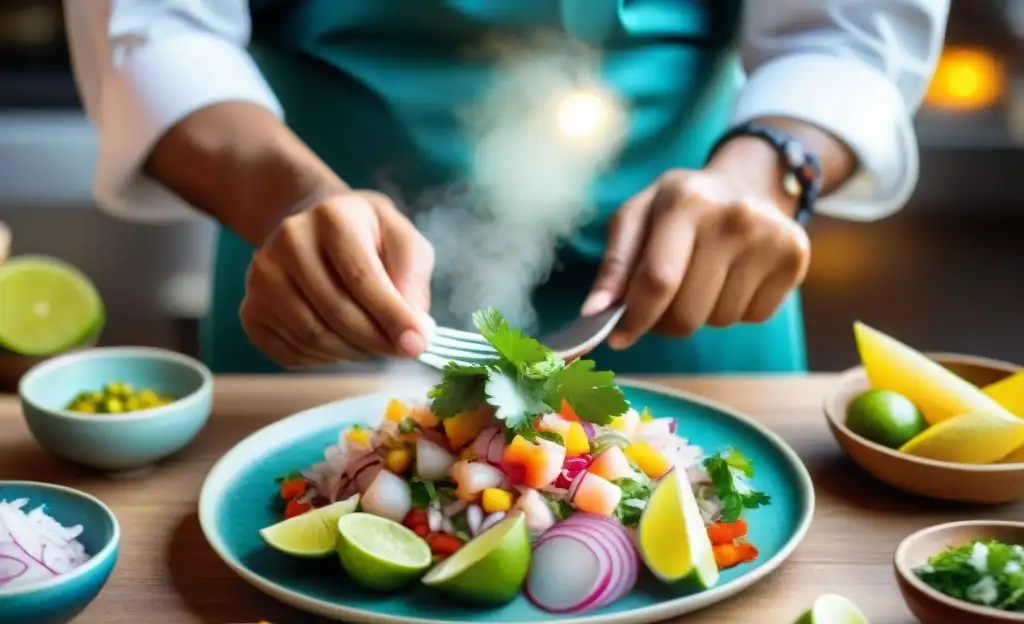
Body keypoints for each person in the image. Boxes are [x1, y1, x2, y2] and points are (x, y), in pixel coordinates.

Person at [65, 0, 949, 375]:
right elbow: (155, 27)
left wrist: (766, 169)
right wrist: (293, 203)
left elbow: (847, 29)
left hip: (695, 295)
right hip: (319, 264)